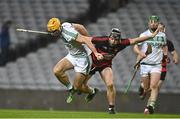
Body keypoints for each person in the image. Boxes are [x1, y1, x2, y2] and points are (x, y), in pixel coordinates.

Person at [81, 26, 161, 114]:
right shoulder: (102, 40)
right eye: (112, 39)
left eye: (116, 40)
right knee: (80, 86)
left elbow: (136, 40)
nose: (114, 42)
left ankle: (111, 108)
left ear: (119, 40)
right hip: (92, 63)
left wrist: (151, 36)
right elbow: (85, 39)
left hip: (105, 66)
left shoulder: (121, 43)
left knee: (110, 84)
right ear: (109, 37)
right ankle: (92, 92)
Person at [47, 18, 103, 103]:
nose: (52, 33)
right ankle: (70, 89)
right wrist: (88, 36)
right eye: (51, 31)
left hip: (83, 59)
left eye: (53, 31)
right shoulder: (65, 24)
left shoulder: (70, 34)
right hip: (72, 56)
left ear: (58, 29)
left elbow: (85, 39)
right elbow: (81, 27)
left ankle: (92, 91)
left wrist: (95, 52)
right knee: (57, 71)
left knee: (78, 87)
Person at [133, 15, 167, 114]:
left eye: (155, 22)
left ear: (158, 23)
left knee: (154, 86)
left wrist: (165, 55)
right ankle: (142, 86)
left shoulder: (162, 35)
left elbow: (164, 46)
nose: (153, 23)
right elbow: (135, 47)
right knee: (147, 88)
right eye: (151, 22)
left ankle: (151, 105)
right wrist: (139, 55)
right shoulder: (143, 35)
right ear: (148, 23)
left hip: (156, 65)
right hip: (145, 64)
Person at [138, 23, 179, 99]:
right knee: (147, 86)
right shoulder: (149, 39)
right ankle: (143, 88)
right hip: (149, 64)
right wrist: (138, 61)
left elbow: (174, 52)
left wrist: (175, 58)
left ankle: (149, 106)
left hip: (161, 68)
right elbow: (142, 52)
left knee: (156, 87)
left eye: (162, 29)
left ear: (164, 30)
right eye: (159, 29)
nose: (161, 31)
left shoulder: (167, 42)